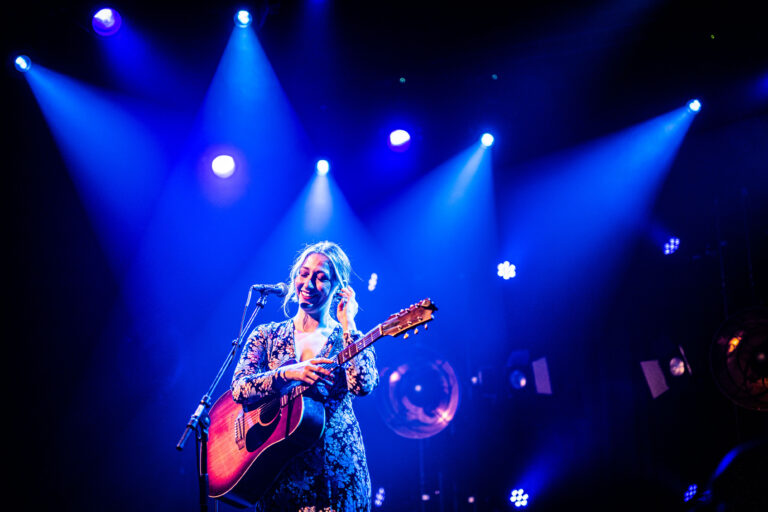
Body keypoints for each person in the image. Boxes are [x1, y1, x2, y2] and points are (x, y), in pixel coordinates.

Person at [231, 241, 379, 512]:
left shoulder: (343, 338)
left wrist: (350, 326)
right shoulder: (267, 335)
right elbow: (239, 389)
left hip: (334, 475)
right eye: (304, 273)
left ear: (340, 289)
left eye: (321, 277)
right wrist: (287, 373)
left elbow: (363, 384)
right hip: (278, 473)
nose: (308, 283)